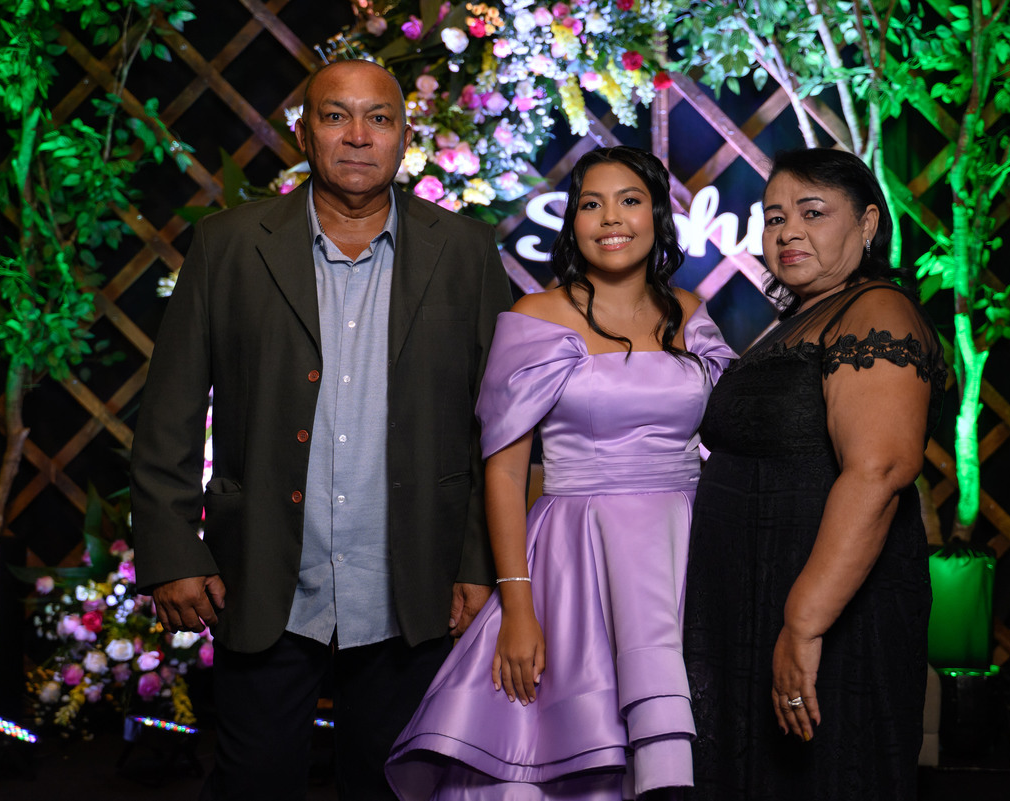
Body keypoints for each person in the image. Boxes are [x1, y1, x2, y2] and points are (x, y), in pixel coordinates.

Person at [129, 59, 511, 800]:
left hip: (415, 582)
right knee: (253, 784)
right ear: (304, 134)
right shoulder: (228, 244)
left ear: (405, 137)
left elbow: (496, 422)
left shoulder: (465, 250)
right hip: (261, 574)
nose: (358, 136)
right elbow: (169, 412)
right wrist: (173, 552)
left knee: (394, 785)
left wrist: (477, 562)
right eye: (337, 116)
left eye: (379, 118)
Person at [386, 146, 735, 800]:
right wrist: (518, 607)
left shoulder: (689, 312)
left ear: (657, 216)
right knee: (577, 751)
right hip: (576, 558)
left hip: (684, 554)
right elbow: (503, 473)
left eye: (630, 200)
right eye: (591, 203)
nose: (612, 218)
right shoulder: (535, 317)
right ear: (572, 222)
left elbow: (733, 434)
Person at [682, 147, 948, 799]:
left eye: (813, 212)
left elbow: (881, 469)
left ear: (867, 223)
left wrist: (804, 621)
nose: (788, 231)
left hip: (828, 610)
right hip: (753, 598)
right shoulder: (799, 320)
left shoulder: (876, 311)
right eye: (774, 217)